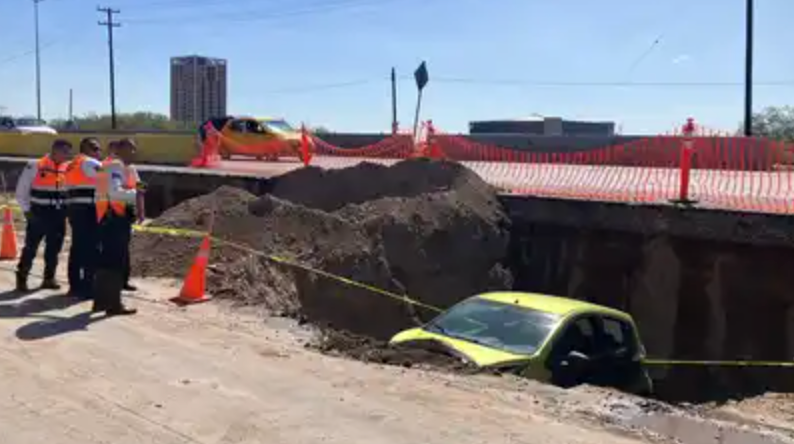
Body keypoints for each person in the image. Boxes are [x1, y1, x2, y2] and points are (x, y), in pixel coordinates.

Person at [15, 139, 72, 291]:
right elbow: (21, 191)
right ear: (55, 150)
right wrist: (27, 212)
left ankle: (49, 278)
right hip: (38, 214)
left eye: (69, 152)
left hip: (58, 215)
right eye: (65, 152)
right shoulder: (35, 165)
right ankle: (22, 277)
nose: (68, 156)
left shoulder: (67, 168)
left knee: (54, 249)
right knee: (31, 248)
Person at [93, 138, 140, 316]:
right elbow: (116, 193)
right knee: (115, 263)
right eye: (131, 149)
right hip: (115, 219)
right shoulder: (115, 167)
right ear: (122, 150)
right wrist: (134, 193)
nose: (134, 153)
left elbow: (136, 183)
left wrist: (139, 189)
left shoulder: (117, 167)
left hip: (109, 218)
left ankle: (101, 301)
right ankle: (113, 304)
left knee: (106, 261)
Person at [63, 137, 103, 299]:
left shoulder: (72, 164)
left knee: (77, 248)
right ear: (86, 149)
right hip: (89, 210)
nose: (98, 152)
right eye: (96, 148)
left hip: (75, 209)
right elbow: (113, 181)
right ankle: (88, 288)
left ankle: (75, 287)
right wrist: (141, 187)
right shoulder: (90, 163)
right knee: (91, 249)